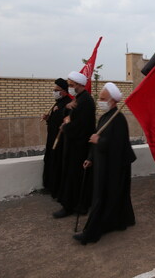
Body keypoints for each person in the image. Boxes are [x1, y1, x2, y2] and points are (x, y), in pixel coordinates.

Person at [73, 83, 136, 245]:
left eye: (102, 99)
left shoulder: (118, 119)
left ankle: (92, 233)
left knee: (104, 197)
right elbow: (96, 139)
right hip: (102, 164)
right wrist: (90, 158)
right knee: (107, 196)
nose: (99, 101)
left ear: (113, 101)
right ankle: (118, 222)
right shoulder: (104, 117)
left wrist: (99, 140)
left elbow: (117, 145)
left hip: (114, 167)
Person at [53, 71, 96, 218]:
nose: (70, 87)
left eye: (71, 85)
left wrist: (65, 128)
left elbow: (81, 125)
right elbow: (70, 115)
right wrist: (66, 109)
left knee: (75, 176)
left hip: (79, 146)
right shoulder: (79, 98)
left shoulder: (86, 101)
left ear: (79, 85)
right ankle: (76, 204)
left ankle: (72, 205)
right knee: (72, 176)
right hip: (73, 145)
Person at [42, 78, 71, 198]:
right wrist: (48, 119)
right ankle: (49, 186)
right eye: (54, 90)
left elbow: (66, 121)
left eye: (56, 90)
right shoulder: (57, 103)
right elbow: (54, 122)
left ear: (64, 91)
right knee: (50, 161)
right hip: (51, 139)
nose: (54, 92)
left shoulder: (68, 104)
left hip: (60, 141)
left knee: (57, 164)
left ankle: (57, 189)